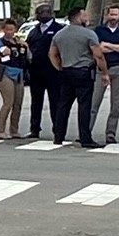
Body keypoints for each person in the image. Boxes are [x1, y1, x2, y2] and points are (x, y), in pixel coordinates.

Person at [46, 8, 106, 148]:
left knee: (63, 105)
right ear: (79, 17)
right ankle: (85, 137)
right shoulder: (88, 34)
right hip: (84, 71)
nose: (87, 17)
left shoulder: (59, 35)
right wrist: (104, 72)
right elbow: (98, 55)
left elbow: (52, 54)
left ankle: (58, 135)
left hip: (66, 71)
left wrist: (59, 67)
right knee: (84, 105)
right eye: (85, 15)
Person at [86, 4, 119, 146]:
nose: (113, 18)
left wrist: (109, 45)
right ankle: (86, 131)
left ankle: (110, 133)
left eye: (116, 15)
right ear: (107, 15)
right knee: (94, 102)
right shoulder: (99, 30)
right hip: (101, 69)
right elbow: (99, 49)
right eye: (111, 15)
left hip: (118, 68)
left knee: (116, 104)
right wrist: (115, 47)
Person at [25, 3, 63, 135]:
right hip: (36, 71)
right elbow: (28, 47)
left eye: (41, 13)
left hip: (53, 70)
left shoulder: (59, 29)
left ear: (49, 13)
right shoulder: (34, 31)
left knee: (55, 100)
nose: (39, 16)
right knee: (36, 101)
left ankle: (57, 129)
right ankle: (34, 128)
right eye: (38, 13)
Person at [0, 18, 30, 138]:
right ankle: (0, 130)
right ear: (3, 30)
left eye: (12, 29)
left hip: (19, 73)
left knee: (18, 103)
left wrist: (26, 47)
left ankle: (14, 130)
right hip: (5, 72)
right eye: (7, 29)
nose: (9, 32)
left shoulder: (19, 43)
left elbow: (29, 57)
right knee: (8, 102)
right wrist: (1, 54)